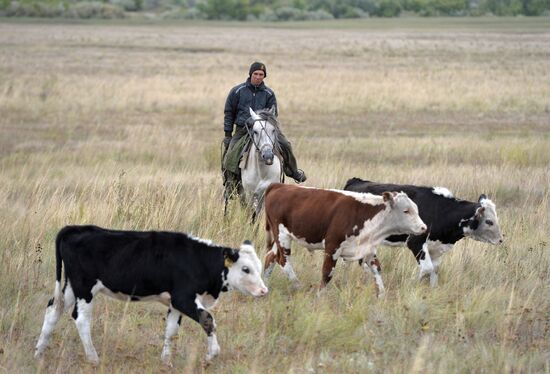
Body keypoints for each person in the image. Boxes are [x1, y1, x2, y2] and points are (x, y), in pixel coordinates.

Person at [222, 62, 306, 189]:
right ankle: (230, 184)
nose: (258, 76)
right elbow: (229, 112)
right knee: (230, 154)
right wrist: (228, 134)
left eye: (261, 74)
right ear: (250, 74)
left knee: (286, 145)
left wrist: (263, 122)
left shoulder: (269, 93)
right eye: (255, 74)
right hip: (243, 130)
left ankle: (293, 171)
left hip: (266, 129)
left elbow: (273, 114)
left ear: (264, 76)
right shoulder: (237, 91)